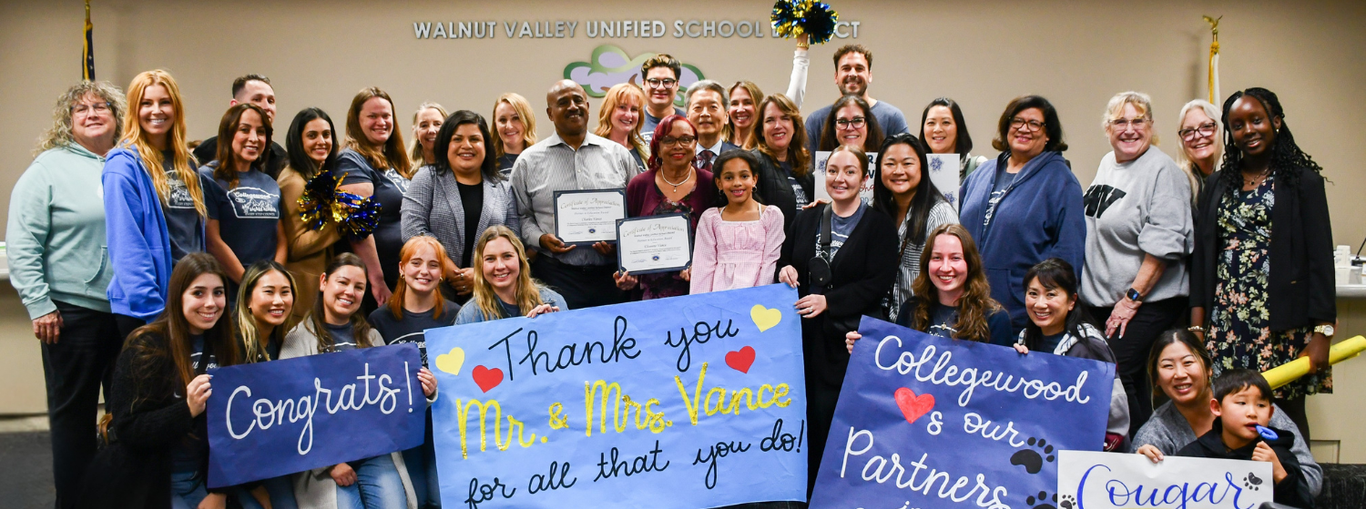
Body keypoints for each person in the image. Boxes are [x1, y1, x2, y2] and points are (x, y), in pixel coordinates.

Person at [1189, 87, 1335, 442]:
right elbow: (1203, 258)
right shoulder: (1217, 184)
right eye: (1238, 125)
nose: (1248, 130)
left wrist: (1323, 333)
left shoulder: (1302, 182)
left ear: (1277, 122)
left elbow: (1320, 260)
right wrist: (1197, 329)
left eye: (1257, 120)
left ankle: (1295, 488)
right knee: (1230, 412)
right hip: (1226, 323)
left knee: (1283, 414)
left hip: (1281, 326)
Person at [8, 80, 125, 509]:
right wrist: (40, 305)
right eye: (81, 109)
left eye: (101, 107)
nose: (92, 113)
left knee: (126, 418)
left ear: (117, 117)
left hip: (128, 313)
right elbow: (22, 243)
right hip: (70, 315)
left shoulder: (131, 161)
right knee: (73, 424)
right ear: (68, 121)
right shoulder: (48, 168)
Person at [76, 253, 242, 509]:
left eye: (218, 293)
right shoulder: (146, 346)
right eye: (198, 293)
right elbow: (128, 427)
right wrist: (187, 409)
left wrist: (220, 492)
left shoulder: (228, 346)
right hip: (153, 479)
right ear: (178, 296)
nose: (211, 303)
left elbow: (234, 430)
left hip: (206, 479)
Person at [776, 146, 897, 493]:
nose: (839, 179)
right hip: (801, 342)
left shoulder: (879, 227)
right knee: (804, 425)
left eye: (849, 172)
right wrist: (784, 269)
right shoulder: (807, 218)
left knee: (832, 426)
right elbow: (788, 262)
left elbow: (877, 284)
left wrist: (829, 301)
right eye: (832, 171)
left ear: (865, 179)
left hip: (844, 345)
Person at [281, 253, 435, 509]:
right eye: (342, 282)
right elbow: (291, 414)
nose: (349, 292)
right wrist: (329, 462)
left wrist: (424, 393)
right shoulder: (298, 339)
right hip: (327, 460)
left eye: (358, 287)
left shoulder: (372, 337)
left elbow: (395, 399)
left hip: (375, 451)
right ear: (323, 282)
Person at [1079, 91, 1193, 432]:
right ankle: (1143, 450)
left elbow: (1164, 244)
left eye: (1138, 121)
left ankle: (1141, 456)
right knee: (1127, 381)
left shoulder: (1163, 171)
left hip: (1145, 301)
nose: (1129, 129)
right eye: (1120, 122)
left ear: (1151, 126)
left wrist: (1131, 300)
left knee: (1117, 376)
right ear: (1107, 128)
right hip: (1104, 301)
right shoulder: (1107, 164)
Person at [1133, 329, 1322, 496]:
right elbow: (1141, 495)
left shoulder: (1251, 404)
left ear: (1208, 369)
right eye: (1168, 366)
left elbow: (1312, 482)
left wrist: (1276, 475)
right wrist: (1141, 470)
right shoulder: (1154, 434)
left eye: (1188, 362)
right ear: (1156, 379)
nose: (1180, 373)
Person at [959, 95, 1085, 331]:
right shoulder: (981, 173)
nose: (1024, 128)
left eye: (1034, 123)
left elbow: (1069, 255)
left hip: (1020, 315)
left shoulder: (1061, 182)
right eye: (1017, 121)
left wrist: (1048, 310)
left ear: (1048, 134)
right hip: (968, 307)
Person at [510, 80, 640, 309]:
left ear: (588, 107)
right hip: (555, 278)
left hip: (612, 278)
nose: (573, 106)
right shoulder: (528, 162)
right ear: (550, 113)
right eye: (563, 102)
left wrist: (619, 243)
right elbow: (521, 216)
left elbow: (637, 212)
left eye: (578, 100)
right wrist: (540, 239)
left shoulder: (618, 156)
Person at [104, 69, 208, 339]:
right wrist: (155, 313)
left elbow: (194, 236)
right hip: (149, 309)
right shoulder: (123, 164)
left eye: (164, 102)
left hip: (189, 300)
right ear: (133, 110)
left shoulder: (187, 163)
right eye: (146, 103)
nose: (156, 110)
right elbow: (126, 244)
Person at [368, 237, 459, 508]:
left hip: (444, 428)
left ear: (442, 273)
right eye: (416, 263)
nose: (424, 271)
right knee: (415, 499)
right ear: (401, 268)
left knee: (442, 499)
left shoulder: (455, 316)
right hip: (403, 432)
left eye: (433, 265)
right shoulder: (379, 319)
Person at [1011, 258, 1130, 450]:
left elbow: (1115, 414)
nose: (1040, 304)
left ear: (1071, 301)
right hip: (1039, 447)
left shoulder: (1090, 347)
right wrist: (1015, 365)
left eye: (1051, 295)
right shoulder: (1025, 338)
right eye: (1033, 294)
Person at [403, 110, 520, 303]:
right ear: (446, 144)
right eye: (457, 139)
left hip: (490, 292)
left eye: (475, 139)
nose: (466, 146)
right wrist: (450, 271)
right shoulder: (427, 179)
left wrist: (480, 273)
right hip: (433, 290)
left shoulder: (502, 186)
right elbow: (412, 230)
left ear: (485, 146)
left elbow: (514, 238)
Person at [846, 223, 1014, 346]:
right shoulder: (911, 309)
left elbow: (1000, 382)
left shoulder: (995, 318)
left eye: (955, 258)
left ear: (970, 264)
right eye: (937, 258)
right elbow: (894, 364)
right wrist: (864, 348)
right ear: (926, 263)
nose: (945, 267)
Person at [1172, 370, 1316, 508]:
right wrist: (1151, 460)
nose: (1252, 413)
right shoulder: (1194, 454)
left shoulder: (1278, 455)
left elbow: (1305, 504)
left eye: (1261, 405)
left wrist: (1279, 473)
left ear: (1270, 413)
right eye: (1241, 403)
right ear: (1216, 407)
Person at [616, 115, 711, 299]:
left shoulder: (710, 183)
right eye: (668, 140)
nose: (678, 146)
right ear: (657, 147)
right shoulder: (639, 185)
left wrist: (701, 267)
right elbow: (627, 239)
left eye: (685, 139)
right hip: (649, 298)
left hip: (699, 292)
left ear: (695, 144)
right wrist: (625, 272)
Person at [231, 260, 299, 509]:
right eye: (269, 292)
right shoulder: (231, 344)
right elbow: (229, 428)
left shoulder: (284, 340)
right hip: (237, 467)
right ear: (248, 298)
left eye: (285, 292)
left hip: (271, 457)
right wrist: (255, 489)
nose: (279, 301)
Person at [338, 87, 413, 306]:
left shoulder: (392, 160)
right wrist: (377, 279)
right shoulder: (350, 160)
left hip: (402, 273)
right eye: (372, 116)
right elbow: (357, 225)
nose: (381, 121)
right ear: (356, 121)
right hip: (379, 281)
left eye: (386, 116)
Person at [869, 133, 958, 317]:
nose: (898, 171)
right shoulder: (877, 211)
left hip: (924, 323)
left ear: (922, 168)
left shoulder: (939, 213)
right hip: (884, 322)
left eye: (907, 163)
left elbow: (952, 272)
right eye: (890, 164)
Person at [200, 103, 288, 289]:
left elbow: (280, 239)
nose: (254, 138)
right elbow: (212, 241)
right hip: (229, 290)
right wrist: (250, 286)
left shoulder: (270, 183)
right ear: (228, 133)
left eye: (261, 132)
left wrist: (275, 281)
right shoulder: (208, 177)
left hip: (267, 290)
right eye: (244, 130)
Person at [278, 107, 343, 324]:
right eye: (312, 136)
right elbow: (295, 245)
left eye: (326, 135)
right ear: (298, 141)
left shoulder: (316, 176)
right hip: (303, 293)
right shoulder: (293, 182)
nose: (321, 141)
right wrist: (340, 220)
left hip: (319, 288)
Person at [690, 150, 785, 294]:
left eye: (744, 176)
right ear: (719, 183)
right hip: (719, 300)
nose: (737, 183)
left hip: (758, 300)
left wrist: (756, 299)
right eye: (728, 178)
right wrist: (702, 309)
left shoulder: (771, 215)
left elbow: (769, 264)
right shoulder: (710, 219)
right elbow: (703, 269)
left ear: (754, 179)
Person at [804, 44, 909, 152]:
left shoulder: (893, 118)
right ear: (836, 77)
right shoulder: (816, 121)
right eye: (846, 68)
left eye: (859, 69)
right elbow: (805, 166)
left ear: (870, 75)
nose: (853, 74)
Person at [455, 226, 568, 323]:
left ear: (520, 259)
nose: (500, 266)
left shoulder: (553, 302)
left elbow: (572, 344)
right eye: (490, 259)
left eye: (507, 256)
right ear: (481, 266)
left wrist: (554, 328)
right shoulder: (469, 316)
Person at [192, 74, 288, 179]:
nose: (267, 107)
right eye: (257, 99)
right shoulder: (206, 151)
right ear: (235, 105)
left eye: (270, 101)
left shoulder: (281, 157)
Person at [750, 94, 813, 232]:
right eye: (770, 120)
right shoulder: (751, 164)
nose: (778, 126)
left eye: (785, 118)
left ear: (794, 126)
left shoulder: (805, 165)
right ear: (761, 129)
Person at [920, 97, 988, 180]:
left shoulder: (979, 167)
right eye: (931, 123)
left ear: (958, 127)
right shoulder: (916, 170)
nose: (937, 129)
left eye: (946, 122)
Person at [1175, 99, 1223, 206]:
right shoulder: (1178, 182)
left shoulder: (1242, 176)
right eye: (1188, 131)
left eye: (1206, 127)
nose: (1197, 136)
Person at [685, 79, 740, 173]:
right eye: (698, 107)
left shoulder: (740, 157)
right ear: (687, 117)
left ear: (726, 116)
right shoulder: (677, 157)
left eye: (713, 107)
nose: (705, 114)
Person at [592, 82, 650, 170]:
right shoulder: (593, 151)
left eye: (634, 109)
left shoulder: (645, 152)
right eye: (622, 107)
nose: (628, 115)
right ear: (608, 110)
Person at [639, 54, 686, 140]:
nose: (661, 87)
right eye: (654, 81)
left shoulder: (689, 123)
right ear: (643, 84)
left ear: (677, 84)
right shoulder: (632, 121)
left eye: (667, 81)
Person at [816, 94, 884, 154]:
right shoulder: (822, 166)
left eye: (857, 120)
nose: (850, 128)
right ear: (833, 127)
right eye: (842, 121)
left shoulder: (884, 165)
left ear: (868, 126)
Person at [491, 93, 538, 178]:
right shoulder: (488, 165)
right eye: (502, 120)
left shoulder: (542, 161)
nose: (509, 126)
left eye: (515, 118)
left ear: (527, 121)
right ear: (495, 125)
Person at [407, 102, 448, 169]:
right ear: (416, 132)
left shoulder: (459, 168)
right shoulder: (405, 170)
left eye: (437, 124)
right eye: (424, 125)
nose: (431, 130)